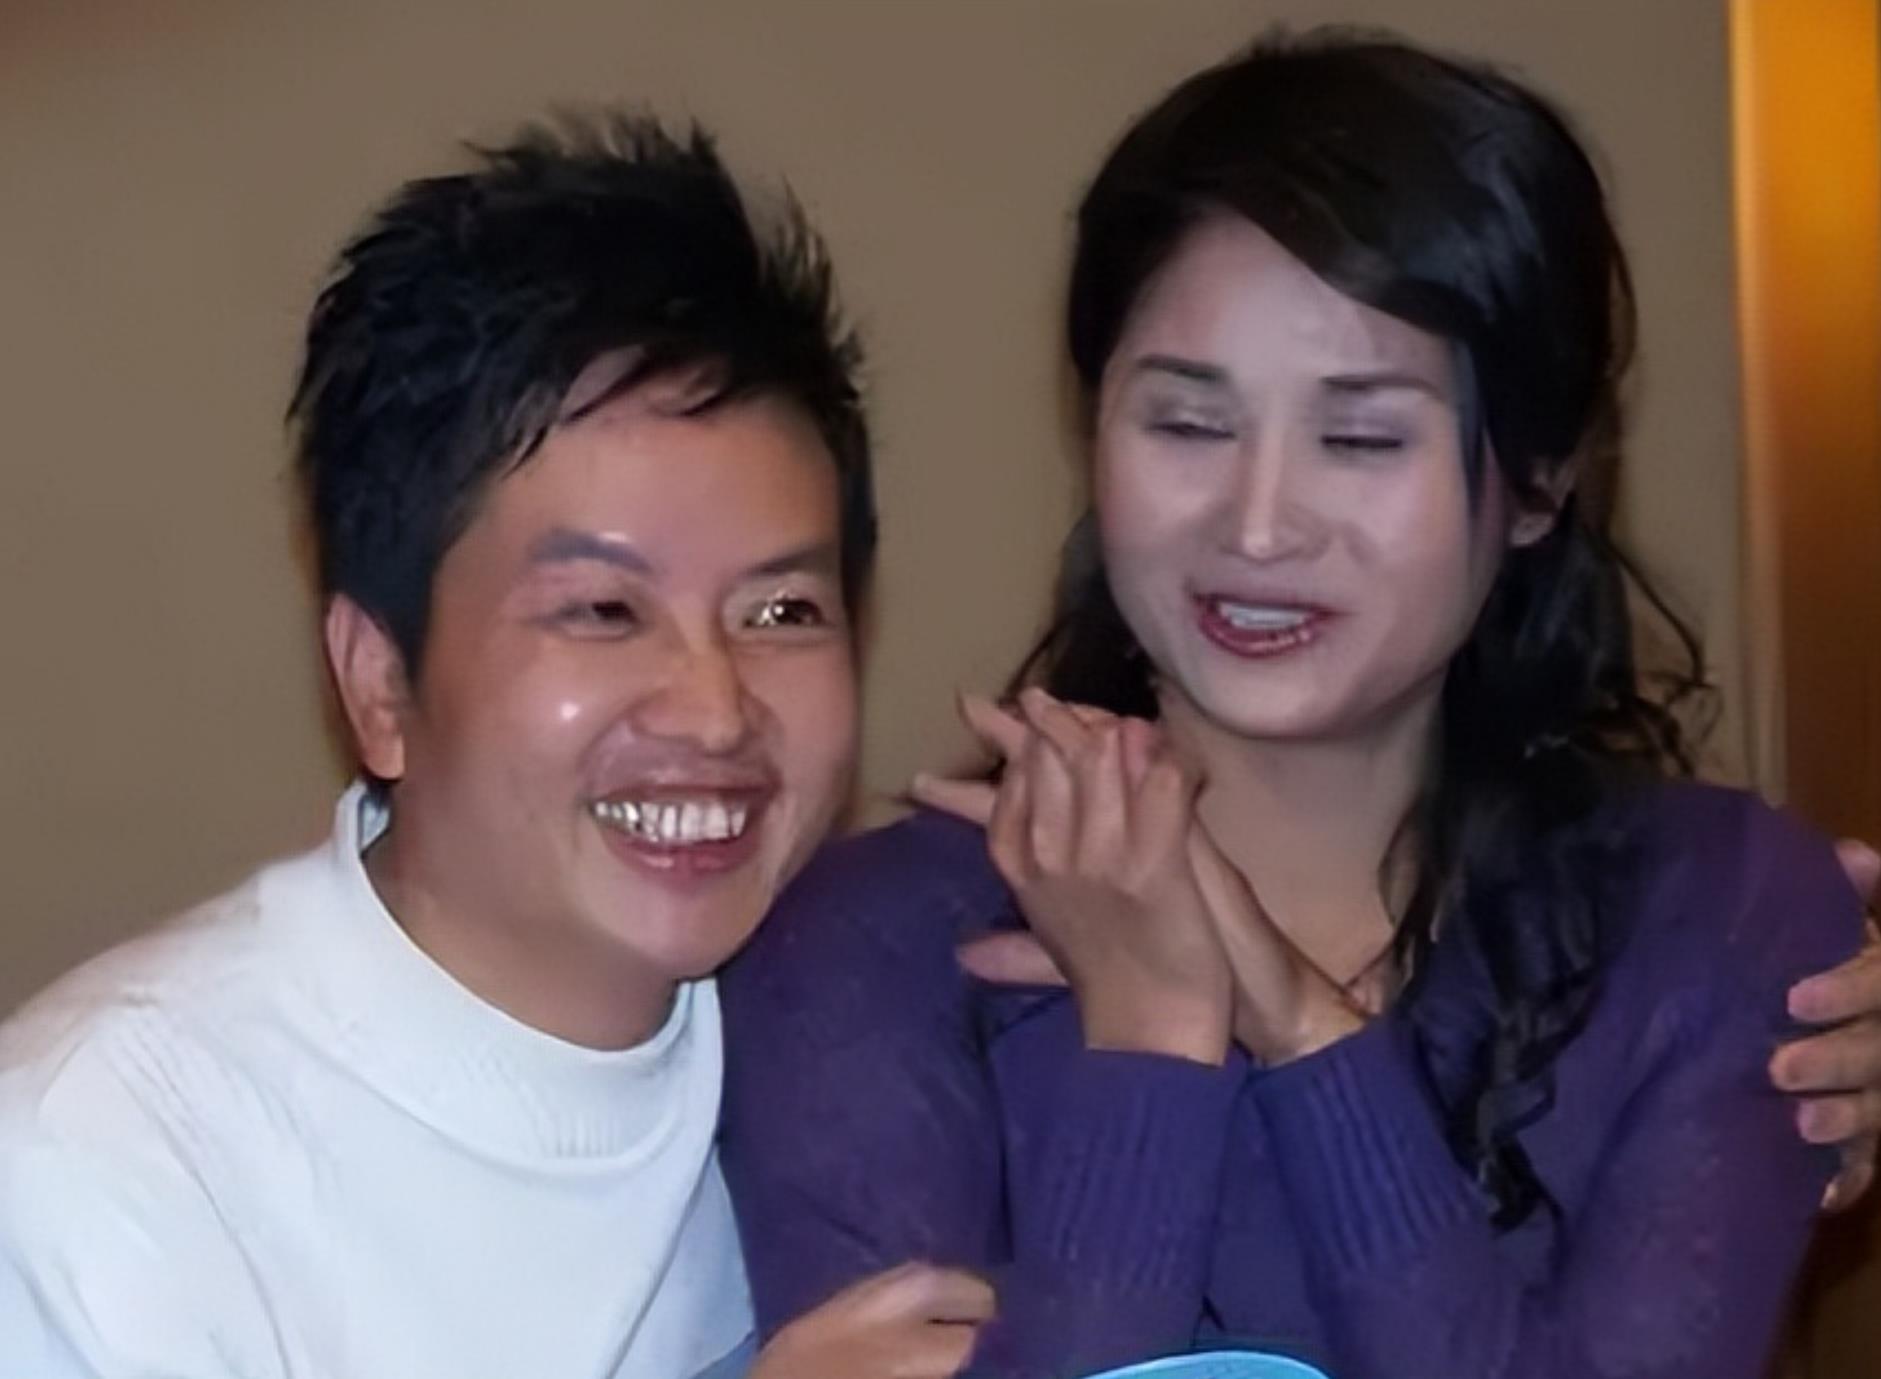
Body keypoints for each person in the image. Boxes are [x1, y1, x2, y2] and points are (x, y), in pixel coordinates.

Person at [719, 32, 1881, 1379]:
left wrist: (1303, 1029)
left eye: (1361, 435)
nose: (1259, 524)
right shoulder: (873, 947)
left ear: (1538, 480)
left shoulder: (1724, 920)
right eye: (1187, 423)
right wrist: (1151, 1031)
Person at [0, 115, 992, 1379]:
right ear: (379, 683)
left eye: (781, 610)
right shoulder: (105, 1171)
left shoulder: (858, 1022)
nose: (714, 709)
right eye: (602, 610)